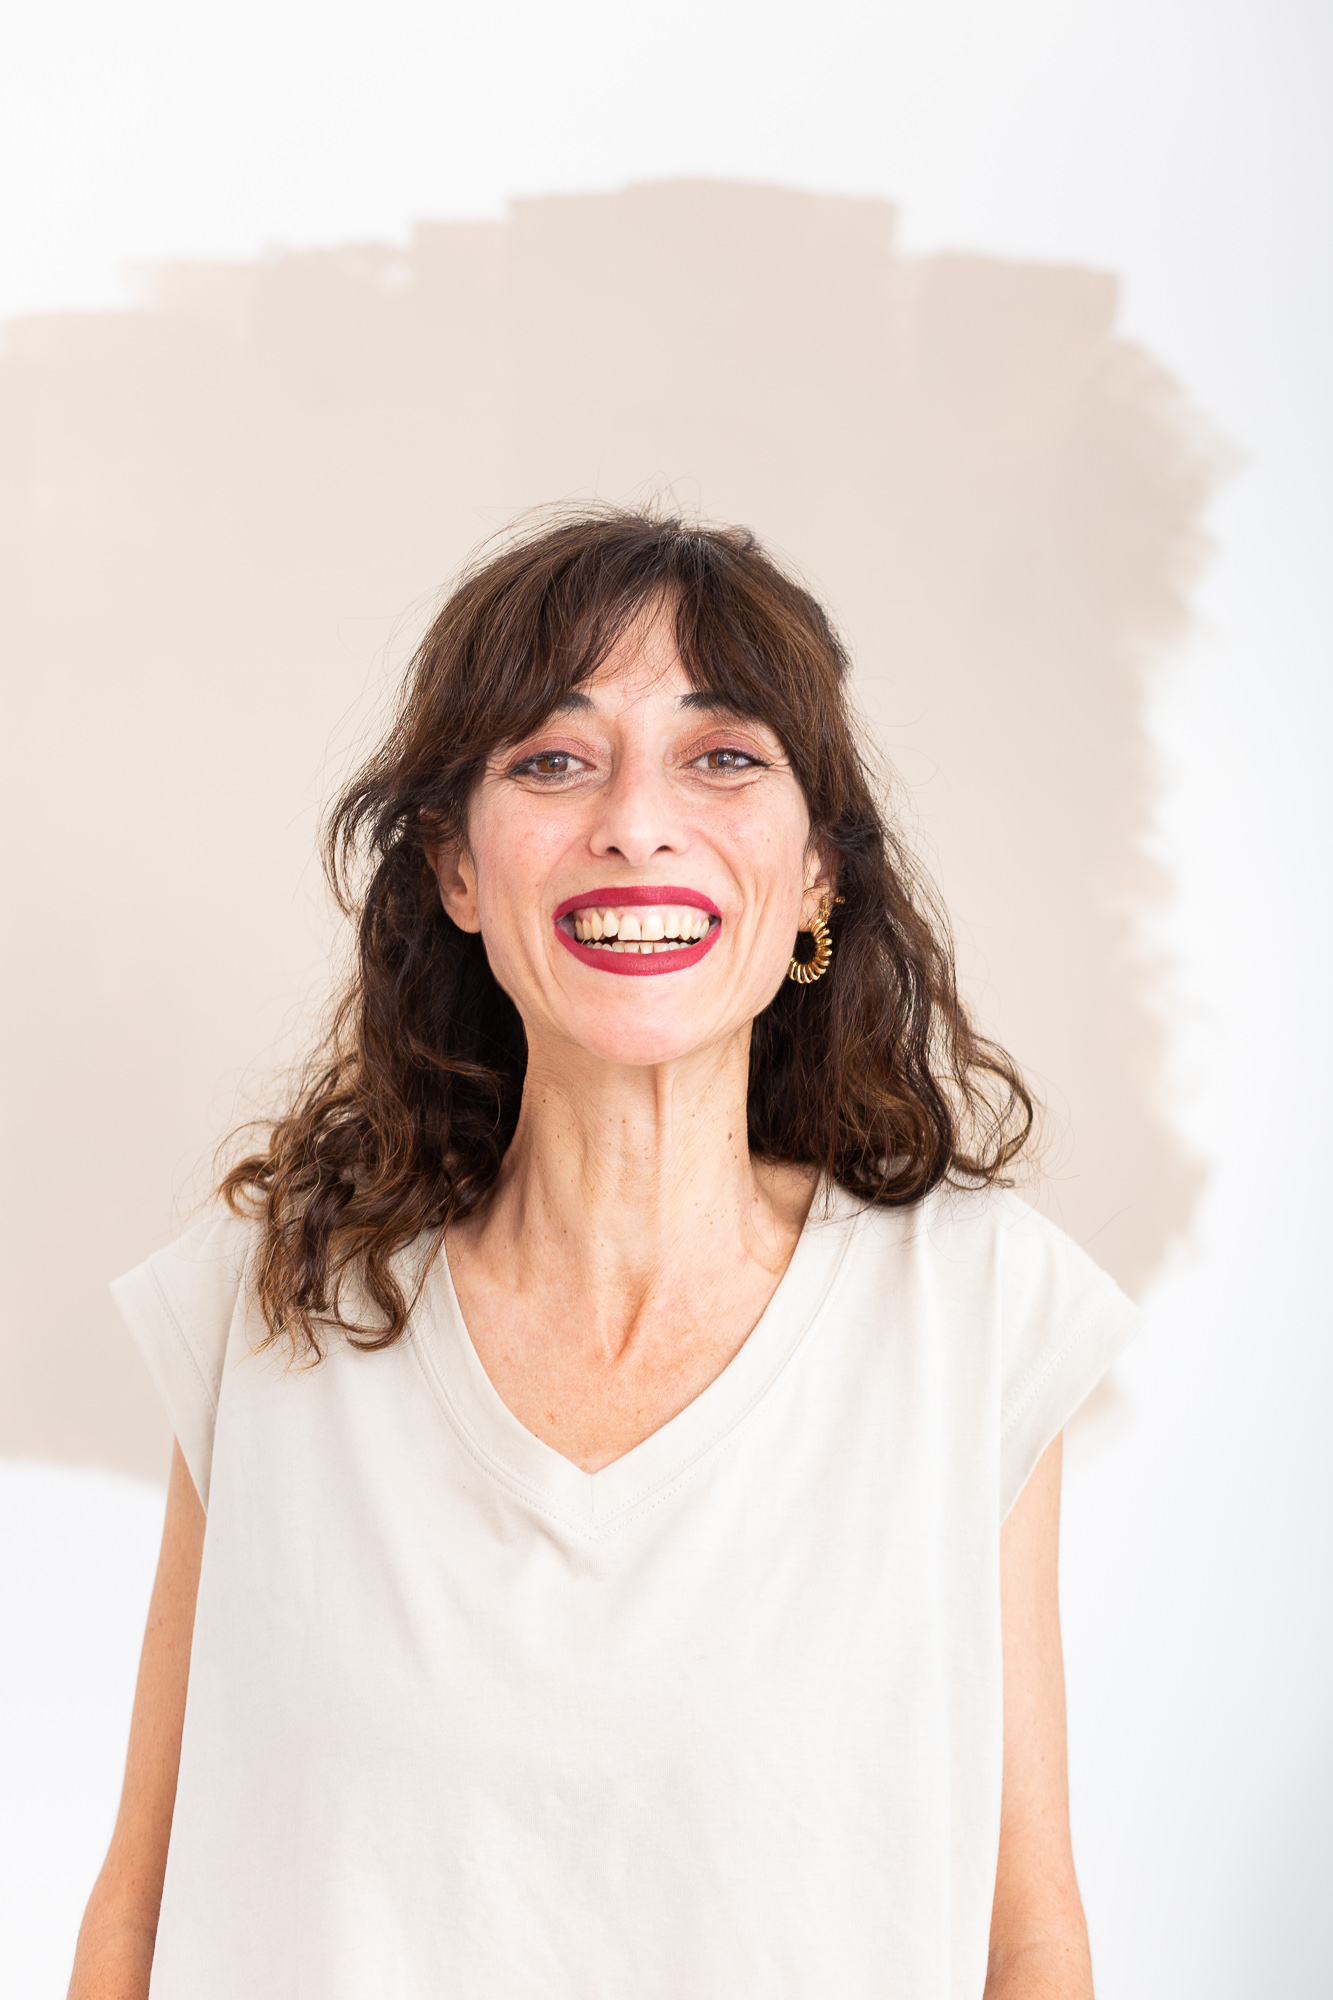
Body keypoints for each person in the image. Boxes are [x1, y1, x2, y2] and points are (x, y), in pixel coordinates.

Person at [69, 510, 1141, 2000]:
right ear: (454, 867)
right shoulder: (279, 1295)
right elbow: (140, 1906)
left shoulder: (972, 1308)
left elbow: (1026, 1938)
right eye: (553, 761)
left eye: (723, 756)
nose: (637, 822)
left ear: (818, 875)